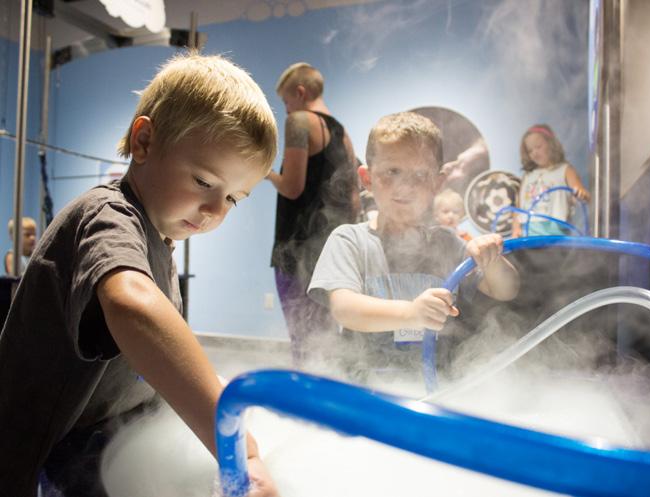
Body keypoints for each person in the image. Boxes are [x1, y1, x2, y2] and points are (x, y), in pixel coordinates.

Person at [0, 53, 279, 497]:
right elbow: (133, 308)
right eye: (204, 182)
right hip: (41, 458)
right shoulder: (108, 214)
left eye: (233, 198)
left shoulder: (159, 244)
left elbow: (146, 368)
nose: (215, 210)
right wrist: (240, 450)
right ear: (144, 141)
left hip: (96, 438)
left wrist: (208, 387)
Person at [308, 112, 518, 377]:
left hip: (436, 387)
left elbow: (506, 289)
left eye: (420, 174)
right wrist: (411, 313)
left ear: (437, 183)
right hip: (365, 388)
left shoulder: (447, 243)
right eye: (392, 171)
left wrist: (492, 258)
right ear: (367, 179)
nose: (405, 186)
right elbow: (344, 308)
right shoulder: (349, 240)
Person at [266, 62, 358, 365]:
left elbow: (292, 188)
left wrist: (264, 171)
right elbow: (354, 198)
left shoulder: (299, 122)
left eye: (286, 101)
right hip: (331, 253)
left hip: (298, 252)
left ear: (300, 92)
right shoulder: (343, 133)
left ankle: (304, 391)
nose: (286, 110)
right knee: (326, 339)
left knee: (303, 341)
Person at [512, 124, 590, 237]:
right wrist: (516, 229)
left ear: (551, 144)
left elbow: (582, 193)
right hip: (529, 231)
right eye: (530, 150)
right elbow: (518, 208)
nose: (535, 153)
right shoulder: (528, 176)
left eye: (538, 146)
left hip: (555, 232)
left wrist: (581, 194)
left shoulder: (565, 170)